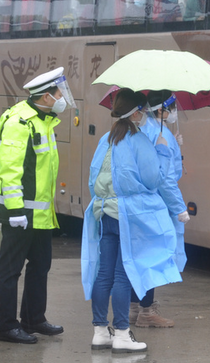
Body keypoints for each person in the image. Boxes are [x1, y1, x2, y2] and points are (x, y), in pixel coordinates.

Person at [81, 89, 181, 353]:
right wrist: (161, 150)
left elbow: (94, 179)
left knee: (104, 274)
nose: (146, 114)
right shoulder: (138, 140)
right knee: (123, 274)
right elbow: (154, 179)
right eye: (144, 110)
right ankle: (123, 334)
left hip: (104, 214)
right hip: (127, 217)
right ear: (136, 112)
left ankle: (100, 332)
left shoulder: (107, 139)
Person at [0, 67, 74, 344]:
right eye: (59, 92)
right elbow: (9, 169)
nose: (63, 97)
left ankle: (33, 319)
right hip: (19, 213)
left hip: (39, 213)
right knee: (9, 270)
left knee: (40, 265)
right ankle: (6, 327)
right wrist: (15, 211)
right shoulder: (20, 122)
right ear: (47, 97)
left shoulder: (45, 120)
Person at [129, 90, 190, 328]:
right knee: (154, 257)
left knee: (142, 256)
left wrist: (175, 144)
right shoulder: (158, 134)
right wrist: (179, 208)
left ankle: (135, 308)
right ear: (162, 110)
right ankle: (147, 312)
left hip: (145, 204)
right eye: (172, 107)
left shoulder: (149, 131)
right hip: (158, 203)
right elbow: (165, 179)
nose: (175, 112)